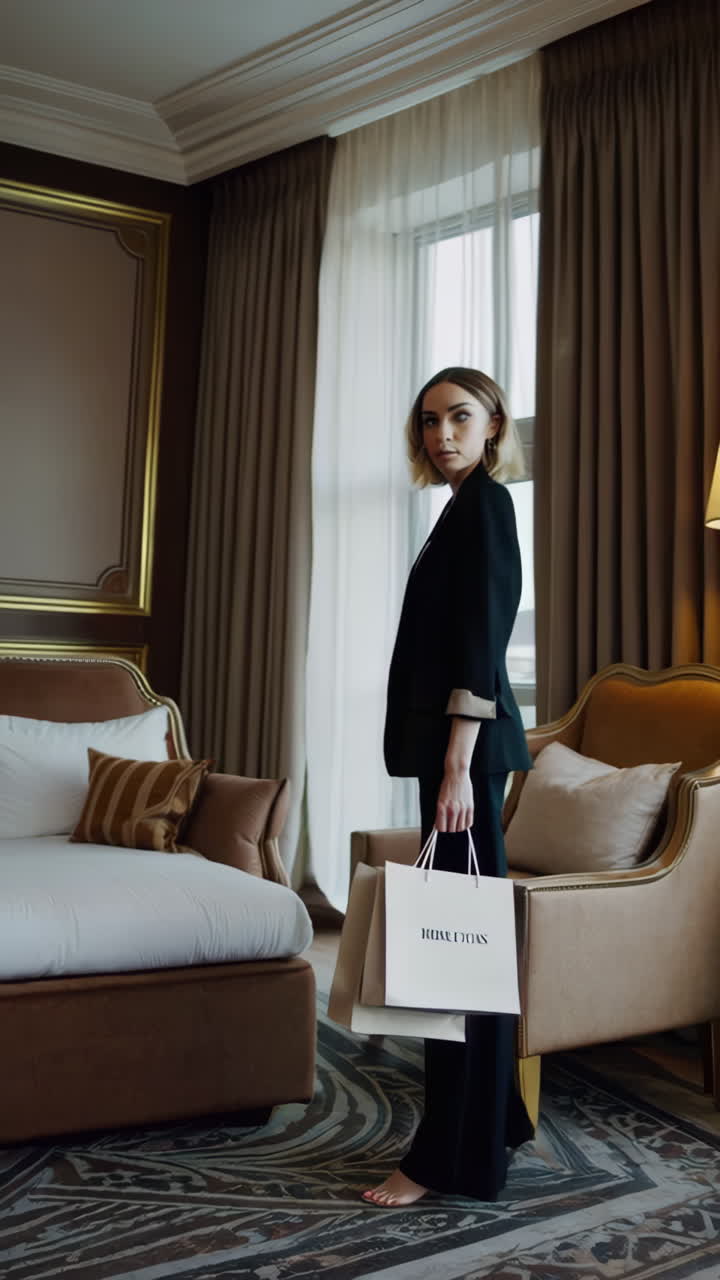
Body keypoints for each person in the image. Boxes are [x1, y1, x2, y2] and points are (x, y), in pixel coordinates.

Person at [363, 366, 535, 1207]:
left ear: (493, 423)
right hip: (452, 759)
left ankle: (443, 1160)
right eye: (430, 421)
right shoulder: (461, 508)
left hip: (462, 761)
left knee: (453, 960)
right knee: (469, 950)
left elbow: (481, 645)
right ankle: (497, 1124)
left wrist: (459, 768)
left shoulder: (487, 507)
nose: (442, 435)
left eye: (460, 418)